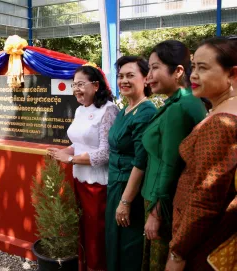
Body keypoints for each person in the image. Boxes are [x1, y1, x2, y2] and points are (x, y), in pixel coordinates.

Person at [166, 37, 237, 271]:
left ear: (232, 74)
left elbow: (206, 199)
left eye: (203, 68)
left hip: (202, 242)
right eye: (193, 67)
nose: (193, 75)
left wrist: (178, 252)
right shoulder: (220, 111)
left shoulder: (222, 123)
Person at [140, 40, 207, 270]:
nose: (148, 75)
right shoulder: (183, 102)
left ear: (178, 71)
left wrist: (156, 213)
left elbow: (171, 164)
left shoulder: (180, 107)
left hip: (164, 204)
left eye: (155, 67)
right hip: (166, 199)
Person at [48, 65, 118, 271]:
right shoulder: (79, 110)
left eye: (80, 84)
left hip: (98, 186)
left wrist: (70, 160)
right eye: (74, 85)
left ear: (96, 85)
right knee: (83, 233)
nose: (76, 89)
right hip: (78, 179)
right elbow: (79, 143)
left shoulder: (108, 110)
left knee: (97, 236)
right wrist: (64, 152)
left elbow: (106, 153)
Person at [106, 56, 157, 271]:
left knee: (128, 248)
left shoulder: (146, 112)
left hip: (130, 190)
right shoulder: (126, 109)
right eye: (120, 76)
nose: (124, 80)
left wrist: (125, 202)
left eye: (130, 75)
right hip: (115, 185)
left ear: (146, 79)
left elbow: (141, 161)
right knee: (113, 243)